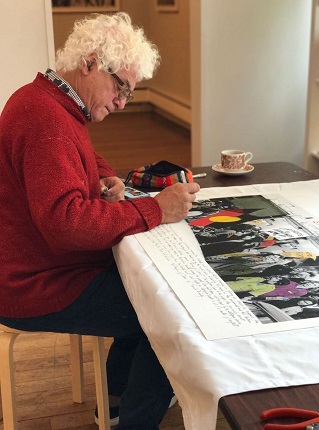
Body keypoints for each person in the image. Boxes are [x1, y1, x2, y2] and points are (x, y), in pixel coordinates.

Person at [0, 12, 200, 430]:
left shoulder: (51, 102)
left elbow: (79, 156)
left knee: (148, 288)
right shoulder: (46, 120)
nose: (123, 102)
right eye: (121, 87)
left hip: (37, 268)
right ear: (90, 62)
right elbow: (65, 223)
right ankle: (133, 418)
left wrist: (104, 174)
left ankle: (115, 399)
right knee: (170, 317)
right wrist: (155, 209)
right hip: (35, 284)